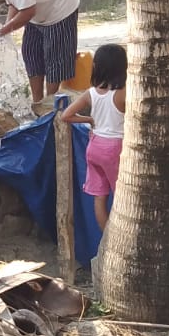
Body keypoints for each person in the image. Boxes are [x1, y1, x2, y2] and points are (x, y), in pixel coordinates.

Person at [60, 44, 126, 251]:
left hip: (94, 146)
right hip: (115, 149)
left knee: (99, 197)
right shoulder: (123, 93)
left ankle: (108, 240)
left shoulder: (91, 93)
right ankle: (122, 241)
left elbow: (66, 115)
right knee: (122, 197)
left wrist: (89, 119)